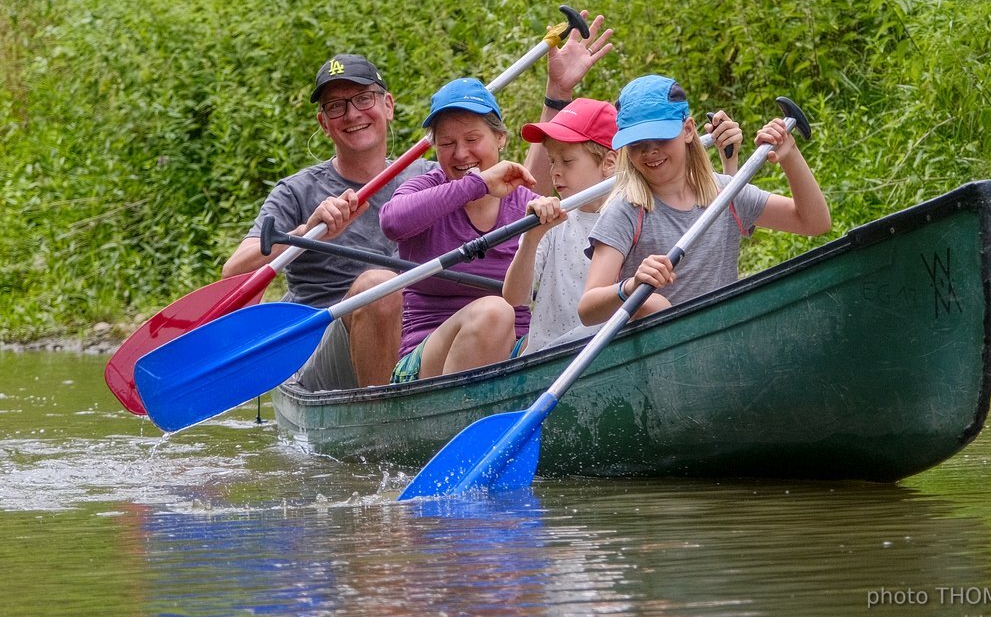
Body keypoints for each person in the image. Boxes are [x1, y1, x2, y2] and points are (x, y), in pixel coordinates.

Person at [221, 53, 436, 390]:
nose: (352, 114)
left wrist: (552, 96)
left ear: (388, 106)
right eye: (336, 106)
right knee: (378, 286)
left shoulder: (428, 176)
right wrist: (305, 232)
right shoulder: (296, 192)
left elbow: (517, 195)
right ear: (324, 123)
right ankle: (383, 426)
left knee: (489, 311)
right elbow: (234, 272)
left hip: (419, 337)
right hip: (322, 354)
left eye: (364, 98)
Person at [578, 74, 831, 326]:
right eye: (636, 144)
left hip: (724, 337)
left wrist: (790, 154)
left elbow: (814, 222)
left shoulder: (726, 193)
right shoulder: (626, 210)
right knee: (652, 305)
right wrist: (630, 287)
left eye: (661, 137)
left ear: (688, 130)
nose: (650, 151)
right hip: (658, 353)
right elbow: (588, 309)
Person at [505, 98, 745, 353]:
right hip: (548, 356)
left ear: (609, 163)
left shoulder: (637, 214)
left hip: (611, 355)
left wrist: (729, 162)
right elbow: (514, 297)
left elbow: (713, 243)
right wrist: (531, 239)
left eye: (567, 161)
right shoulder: (550, 219)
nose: (555, 172)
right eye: (553, 161)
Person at [380, 78, 541, 381]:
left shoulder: (528, 204)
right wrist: (476, 185)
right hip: (425, 359)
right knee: (494, 311)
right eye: (447, 144)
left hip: (517, 350)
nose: (460, 154)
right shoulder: (425, 188)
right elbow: (392, 222)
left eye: (472, 139)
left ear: (500, 138)